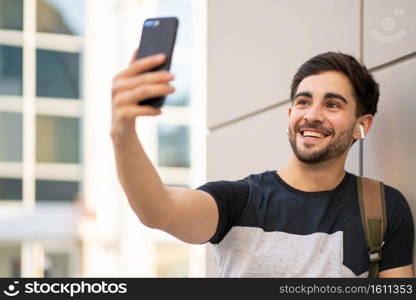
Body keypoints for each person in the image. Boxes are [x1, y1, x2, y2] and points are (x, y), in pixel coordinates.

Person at [110, 50, 414, 278]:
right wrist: (123, 133)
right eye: (304, 102)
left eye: (332, 104)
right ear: (290, 114)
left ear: (363, 124)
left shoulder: (384, 208)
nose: (312, 115)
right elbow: (157, 210)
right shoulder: (239, 201)